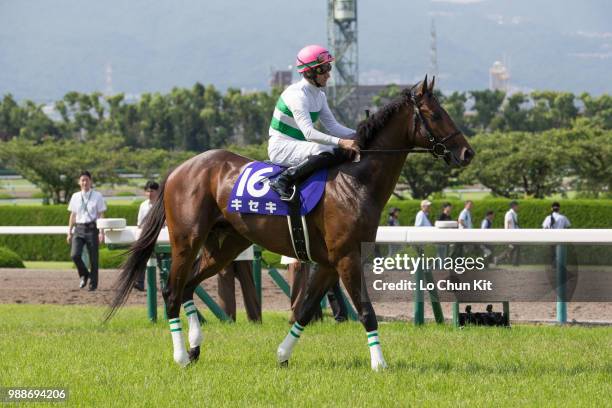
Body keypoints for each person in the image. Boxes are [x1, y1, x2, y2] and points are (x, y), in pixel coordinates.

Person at [267, 44, 360, 201]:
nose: (328, 74)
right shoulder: (296, 95)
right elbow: (309, 133)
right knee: (327, 151)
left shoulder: (320, 96)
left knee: (338, 152)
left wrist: (359, 135)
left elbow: (333, 126)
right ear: (309, 72)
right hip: (282, 147)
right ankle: (282, 180)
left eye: (328, 67)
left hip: (299, 145)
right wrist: (342, 142)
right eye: (323, 69)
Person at [67, 170, 106, 291]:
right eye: (82, 180)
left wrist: (101, 232)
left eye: (87, 180)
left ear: (91, 181)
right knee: (75, 255)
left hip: (92, 228)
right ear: (79, 182)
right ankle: (84, 274)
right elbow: (73, 215)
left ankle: (93, 284)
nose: (85, 182)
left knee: (93, 258)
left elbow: (101, 214)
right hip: (79, 228)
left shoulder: (97, 196)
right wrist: (69, 232)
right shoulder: (75, 196)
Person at [217, 247, 262, 323]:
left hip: (224, 250)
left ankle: (227, 320)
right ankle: (255, 320)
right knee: (249, 286)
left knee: (225, 287)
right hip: (244, 250)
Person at [135, 181, 160, 291]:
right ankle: (139, 283)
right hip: (146, 236)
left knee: (162, 261)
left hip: (160, 236)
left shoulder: (161, 205)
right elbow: (139, 223)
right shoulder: (143, 205)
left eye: (152, 191)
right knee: (141, 259)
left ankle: (167, 284)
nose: (149, 193)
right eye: (148, 191)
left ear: (157, 192)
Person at [495, 201, 520, 266]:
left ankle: (514, 262)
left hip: (513, 234)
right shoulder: (510, 213)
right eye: (517, 206)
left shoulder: (513, 213)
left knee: (514, 247)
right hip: (511, 234)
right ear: (514, 206)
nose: (518, 207)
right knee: (512, 247)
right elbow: (508, 223)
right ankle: (498, 259)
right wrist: (508, 234)